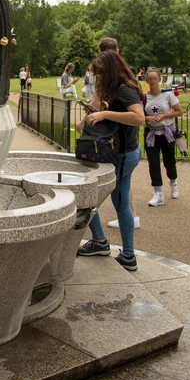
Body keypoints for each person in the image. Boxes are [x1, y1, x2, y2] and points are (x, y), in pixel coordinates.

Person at [77, 50, 144, 271]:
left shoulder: (124, 89)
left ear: (111, 71)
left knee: (88, 198)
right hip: (123, 154)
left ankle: (100, 241)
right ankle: (128, 255)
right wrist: (89, 117)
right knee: (121, 201)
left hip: (123, 155)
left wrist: (105, 115)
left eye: (101, 74)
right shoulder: (116, 88)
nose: (99, 78)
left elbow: (138, 117)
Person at [144, 68, 183, 206]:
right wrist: (148, 117)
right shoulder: (144, 97)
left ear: (159, 79)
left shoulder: (168, 95)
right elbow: (139, 116)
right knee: (153, 163)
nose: (153, 81)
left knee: (169, 162)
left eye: (155, 78)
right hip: (151, 133)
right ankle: (158, 193)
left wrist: (164, 116)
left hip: (166, 133)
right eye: (150, 79)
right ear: (146, 80)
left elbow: (179, 112)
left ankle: (173, 182)